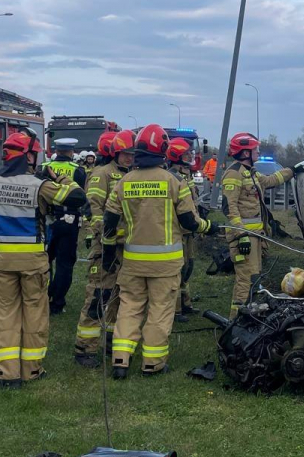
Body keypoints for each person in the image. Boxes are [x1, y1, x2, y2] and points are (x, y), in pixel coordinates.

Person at [102, 125, 215, 378]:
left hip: (132, 263)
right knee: (160, 310)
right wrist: (209, 226)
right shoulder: (174, 182)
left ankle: (120, 361)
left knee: (129, 308)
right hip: (165, 264)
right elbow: (189, 222)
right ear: (163, 151)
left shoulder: (124, 182)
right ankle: (152, 364)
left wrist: (109, 252)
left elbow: (108, 221)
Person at [0, 132, 85, 390]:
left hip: (2, 258)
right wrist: (58, 177)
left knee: (5, 315)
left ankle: (7, 374)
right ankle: (32, 370)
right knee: (34, 313)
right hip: (31, 259)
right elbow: (77, 198)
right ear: (30, 156)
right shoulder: (39, 185)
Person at [221, 132, 300, 316]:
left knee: (254, 278)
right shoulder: (234, 173)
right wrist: (241, 235)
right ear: (245, 152)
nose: (257, 151)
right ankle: (236, 321)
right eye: (255, 149)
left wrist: (292, 170)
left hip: (255, 237)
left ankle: (249, 316)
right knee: (244, 279)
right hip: (243, 238)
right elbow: (229, 207)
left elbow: (270, 180)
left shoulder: (252, 172)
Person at [74, 130, 133, 368]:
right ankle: (84, 348)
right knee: (99, 295)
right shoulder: (102, 174)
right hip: (105, 247)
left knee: (119, 295)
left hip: (125, 248)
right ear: (115, 153)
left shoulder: (131, 176)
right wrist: (108, 234)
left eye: (132, 154)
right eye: (125, 154)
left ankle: (110, 340)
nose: (129, 158)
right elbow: (93, 209)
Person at [43, 137, 88, 316]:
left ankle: (43, 296)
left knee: (44, 261)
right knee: (65, 263)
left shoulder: (44, 166)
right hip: (69, 220)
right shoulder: (78, 170)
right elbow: (80, 197)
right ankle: (57, 303)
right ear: (71, 152)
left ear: (56, 150)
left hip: (46, 219)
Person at [166, 137, 200, 321]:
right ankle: (175, 309)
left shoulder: (186, 175)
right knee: (179, 269)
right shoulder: (172, 177)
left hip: (189, 230)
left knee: (188, 267)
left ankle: (186, 303)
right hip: (178, 230)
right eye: (186, 154)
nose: (190, 156)